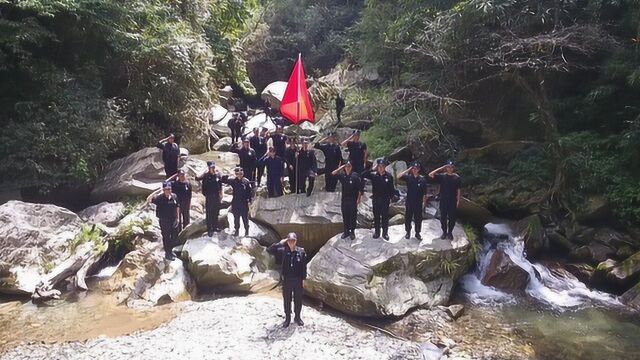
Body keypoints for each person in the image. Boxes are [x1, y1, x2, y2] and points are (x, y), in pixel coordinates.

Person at [267, 232, 307, 328]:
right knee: (287, 300)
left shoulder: (301, 251)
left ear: (296, 241)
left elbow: (303, 267)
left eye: (293, 241)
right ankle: (287, 318)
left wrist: (303, 279)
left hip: (297, 280)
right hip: (287, 280)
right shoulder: (283, 250)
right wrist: (280, 243)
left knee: (298, 299)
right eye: (289, 241)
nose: (291, 243)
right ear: (287, 241)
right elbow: (269, 250)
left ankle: (297, 317)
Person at [362, 159, 396, 240]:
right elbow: (363, 174)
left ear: (385, 167)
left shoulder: (389, 176)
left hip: (385, 200)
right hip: (376, 199)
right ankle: (377, 232)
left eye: (382, 166)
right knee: (376, 217)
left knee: (385, 217)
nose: (380, 168)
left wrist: (393, 197)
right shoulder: (374, 175)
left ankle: (385, 233)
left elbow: (391, 189)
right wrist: (372, 168)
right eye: (379, 167)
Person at [146, 182, 180, 260]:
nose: (168, 191)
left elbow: (177, 207)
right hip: (164, 220)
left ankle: (171, 251)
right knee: (166, 237)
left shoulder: (174, 196)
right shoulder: (159, 198)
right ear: (164, 190)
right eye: (167, 189)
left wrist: (177, 218)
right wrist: (157, 192)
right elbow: (148, 200)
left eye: (170, 189)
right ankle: (167, 254)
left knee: (174, 236)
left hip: (173, 219)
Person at [429, 161, 462, 240]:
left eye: (451, 167)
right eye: (448, 167)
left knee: (452, 218)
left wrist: (458, 200)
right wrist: (442, 167)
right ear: (446, 168)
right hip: (443, 200)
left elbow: (458, 190)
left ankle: (450, 232)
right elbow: (430, 174)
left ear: (453, 168)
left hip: (452, 200)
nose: (449, 169)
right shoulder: (442, 176)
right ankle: (444, 232)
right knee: (443, 217)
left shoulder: (457, 178)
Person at [332, 162, 364, 240]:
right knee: (345, 215)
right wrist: (341, 167)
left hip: (353, 199)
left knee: (353, 216)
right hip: (345, 199)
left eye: (349, 166)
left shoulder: (355, 176)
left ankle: (352, 231)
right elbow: (333, 173)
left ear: (351, 167)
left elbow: (360, 189)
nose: (348, 168)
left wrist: (358, 199)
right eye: (346, 166)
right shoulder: (343, 175)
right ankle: (346, 231)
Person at [398, 162, 429, 240]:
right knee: (408, 218)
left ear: (419, 170)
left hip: (418, 202)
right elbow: (398, 176)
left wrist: (424, 203)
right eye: (413, 169)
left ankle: (417, 233)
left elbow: (425, 193)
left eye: (416, 169)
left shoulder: (422, 179)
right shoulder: (408, 177)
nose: (415, 170)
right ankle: (408, 232)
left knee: (418, 219)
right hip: (409, 201)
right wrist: (408, 169)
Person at [223, 167, 253, 236]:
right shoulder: (233, 181)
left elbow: (249, 192)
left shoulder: (246, 181)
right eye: (238, 174)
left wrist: (250, 201)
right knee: (236, 217)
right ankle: (237, 230)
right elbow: (224, 180)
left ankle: (247, 230)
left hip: (244, 203)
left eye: (241, 174)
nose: (239, 175)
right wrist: (230, 174)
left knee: (245, 218)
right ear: (236, 174)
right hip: (236, 202)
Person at [196, 161, 223, 236]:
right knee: (209, 213)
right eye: (211, 167)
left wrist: (220, 195)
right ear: (208, 168)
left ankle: (215, 227)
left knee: (216, 212)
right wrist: (207, 195)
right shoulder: (206, 176)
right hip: (209, 197)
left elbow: (220, 186)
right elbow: (202, 186)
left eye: (213, 167)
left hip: (217, 196)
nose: (213, 169)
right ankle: (210, 229)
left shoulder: (218, 175)